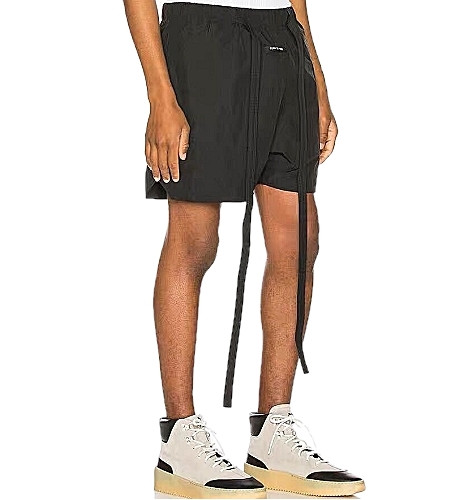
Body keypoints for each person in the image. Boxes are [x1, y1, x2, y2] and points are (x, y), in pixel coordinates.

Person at [123, 0, 365, 497]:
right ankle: (179, 437)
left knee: (299, 240)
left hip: (283, 39)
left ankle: (273, 431)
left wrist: (316, 80)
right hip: (203, 33)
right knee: (196, 240)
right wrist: (159, 94)